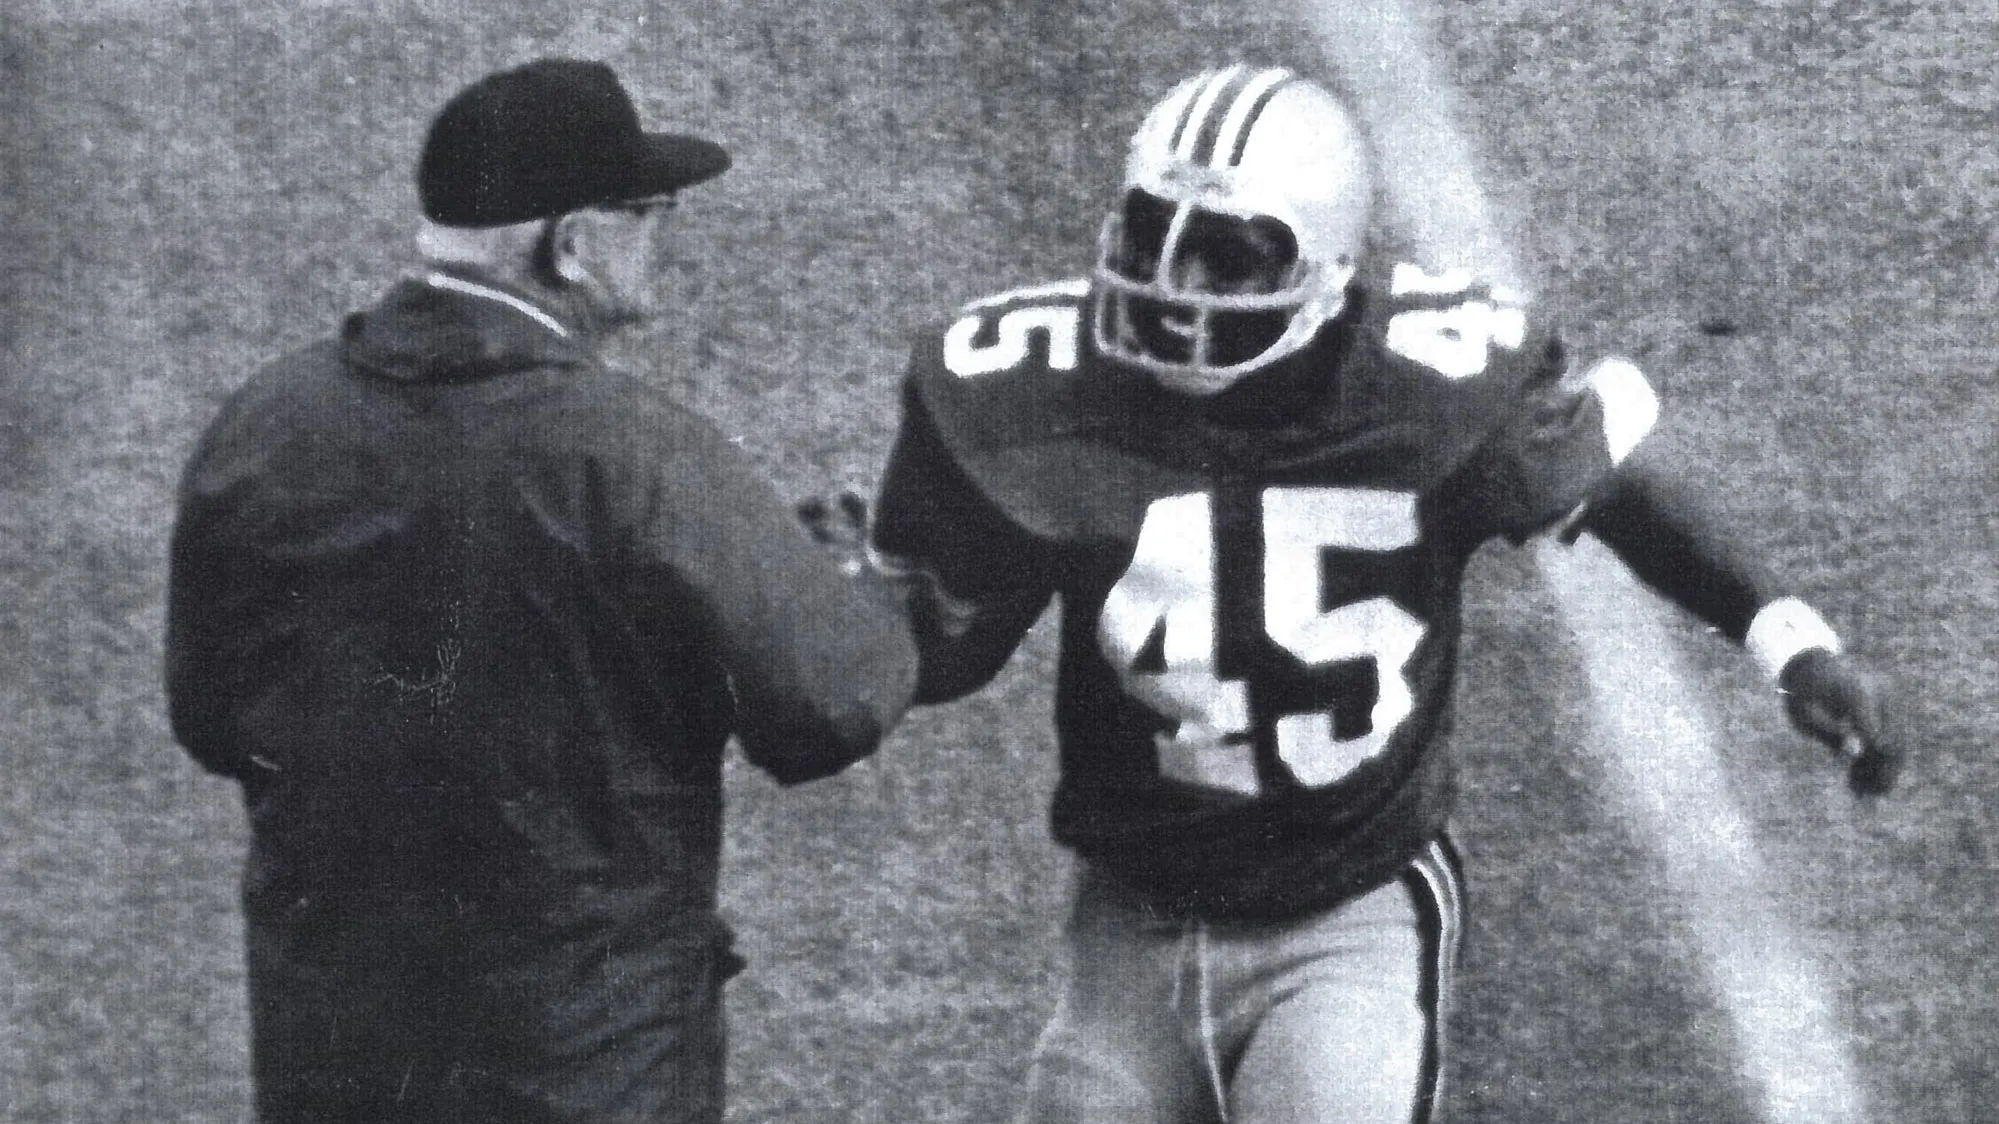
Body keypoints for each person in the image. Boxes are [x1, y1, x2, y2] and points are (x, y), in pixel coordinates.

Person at [813, 64, 1899, 1124]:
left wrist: (1790, 640)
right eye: (1153, 231)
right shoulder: (1026, 393)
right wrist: (855, 611)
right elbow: (953, 637)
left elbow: (1617, 489)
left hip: (1349, 907)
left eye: (1229, 255)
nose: (1174, 280)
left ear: (1326, 266)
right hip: (1131, 910)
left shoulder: (1432, 387)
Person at [165, 58, 918, 1124]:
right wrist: (843, 578)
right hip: (586, 1064)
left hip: (335, 1047)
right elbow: (826, 704)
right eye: (646, 211)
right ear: (570, 243)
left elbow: (210, 715)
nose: (663, 234)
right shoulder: (637, 455)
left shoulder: (265, 424)